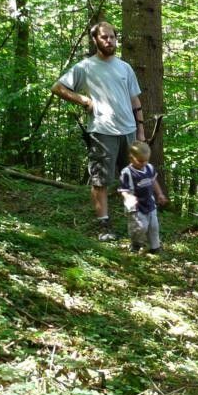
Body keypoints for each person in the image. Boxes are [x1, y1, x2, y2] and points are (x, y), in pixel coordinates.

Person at [51, 22, 145, 241]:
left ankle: (135, 224)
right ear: (95, 40)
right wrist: (83, 100)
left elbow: (135, 100)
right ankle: (104, 225)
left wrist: (141, 131)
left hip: (129, 131)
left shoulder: (125, 68)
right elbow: (58, 87)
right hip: (102, 132)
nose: (109, 41)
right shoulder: (85, 67)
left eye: (112, 37)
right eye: (104, 37)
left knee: (130, 178)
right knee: (100, 180)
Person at [118, 140, 167, 254]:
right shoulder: (127, 172)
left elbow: (153, 181)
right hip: (135, 207)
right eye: (140, 161)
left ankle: (155, 247)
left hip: (150, 203)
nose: (143, 163)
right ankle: (136, 244)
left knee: (154, 226)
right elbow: (123, 190)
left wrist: (160, 194)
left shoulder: (149, 168)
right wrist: (128, 197)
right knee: (140, 227)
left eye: (146, 160)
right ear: (131, 158)